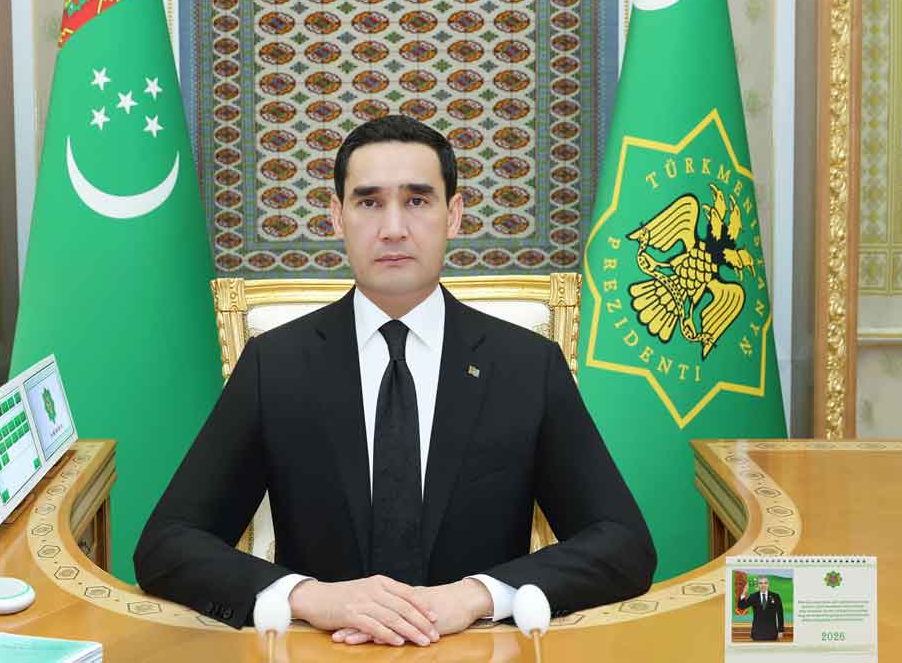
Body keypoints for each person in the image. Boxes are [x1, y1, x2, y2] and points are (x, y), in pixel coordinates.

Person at [133, 115, 656, 647]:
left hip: (477, 651)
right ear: (336, 217)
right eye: (368, 202)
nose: (393, 228)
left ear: (453, 214)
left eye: (417, 200)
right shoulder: (276, 364)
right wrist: (307, 596)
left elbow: (623, 544)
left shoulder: (526, 365)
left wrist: (480, 594)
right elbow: (166, 545)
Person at [738, 575, 785, 641]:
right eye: (761, 583)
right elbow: (741, 606)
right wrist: (744, 592)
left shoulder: (775, 596)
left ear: (768, 584)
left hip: (772, 633)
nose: (763, 585)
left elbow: (780, 614)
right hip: (757, 633)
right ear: (758, 585)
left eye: (765, 583)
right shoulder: (753, 596)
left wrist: (780, 631)